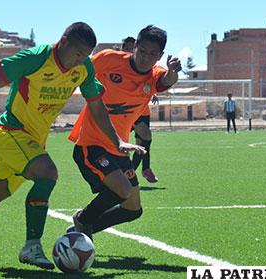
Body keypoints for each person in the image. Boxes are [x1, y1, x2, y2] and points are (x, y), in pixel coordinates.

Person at [0, 22, 144, 270]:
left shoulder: (83, 68)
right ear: (63, 42)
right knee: (48, 172)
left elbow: (97, 105)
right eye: (78, 54)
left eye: (85, 56)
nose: (80, 60)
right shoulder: (35, 58)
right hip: (11, 133)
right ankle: (31, 247)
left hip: (32, 143)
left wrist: (117, 140)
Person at [67, 25, 181, 239]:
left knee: (133, 208)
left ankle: (80, 232)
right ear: (135, 46)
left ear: (160, 56)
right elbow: (77, 73)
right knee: (123, 190)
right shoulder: (108, 59)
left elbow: (167, 81)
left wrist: (173, 71)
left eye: (153, 55)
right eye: (143, 50)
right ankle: (83, 220)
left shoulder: (154, 76)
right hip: (91, 143)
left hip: (120, 148)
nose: (146, 58)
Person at [122, 35, 161, 183]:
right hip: (126, 111)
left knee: (143, 141)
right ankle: (140, 170)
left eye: (133, 47)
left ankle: (133, 172)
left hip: (142, 111)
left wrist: (154, 91)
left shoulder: (142, 64)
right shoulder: (119, 65)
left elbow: (150, 79)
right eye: (128, 47)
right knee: (145, 137)